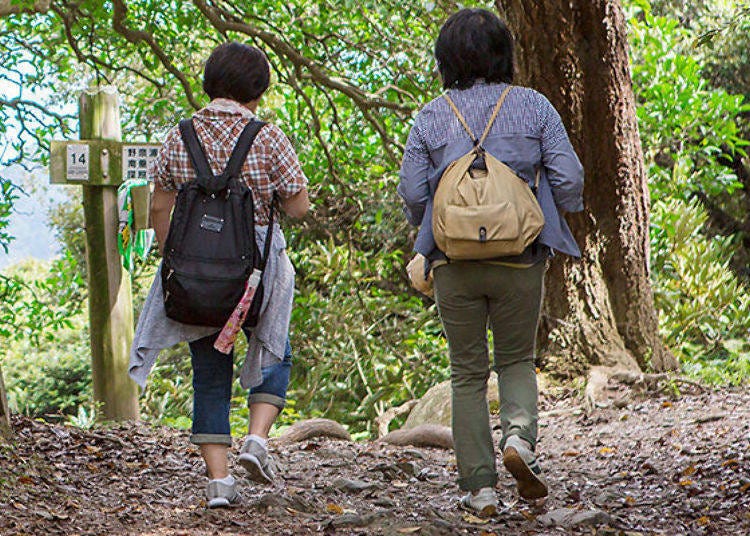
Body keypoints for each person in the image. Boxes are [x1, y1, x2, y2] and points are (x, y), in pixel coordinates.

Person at [398, 9, 584, 516]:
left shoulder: (432, 115)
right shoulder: (533, 107)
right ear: (505, 53)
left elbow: (413, 192)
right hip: (519, 258)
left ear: (446, 60)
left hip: (453, 261)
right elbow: (570, 182)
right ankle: (520, 441)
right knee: (517, 359)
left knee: (466, 374)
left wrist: (445, 214)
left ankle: (479, 489)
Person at [131, 41, 310, 508]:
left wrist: (178, 259)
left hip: (195, 274)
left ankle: (218, 485)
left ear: (211, 82)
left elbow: (159, 206)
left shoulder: (179, 135)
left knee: (209, 372)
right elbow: (298, 205)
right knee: (275, 351)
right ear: (257, 89)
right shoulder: (268, 137)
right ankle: (256, 440)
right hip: (256, 272)